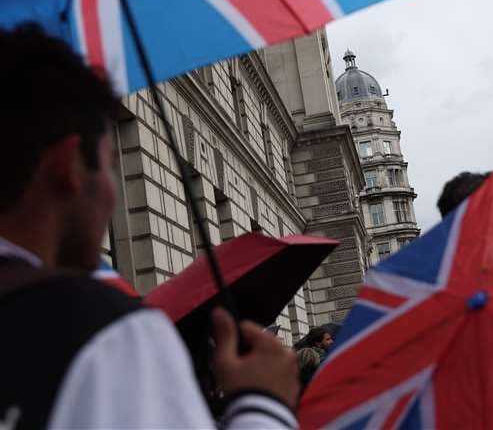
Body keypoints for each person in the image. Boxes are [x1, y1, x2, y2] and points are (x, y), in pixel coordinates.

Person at [0, 24, 299, 429]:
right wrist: (264, 404)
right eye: (109, 165)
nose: (112, 193)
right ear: (68, 166)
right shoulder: (105, 332)